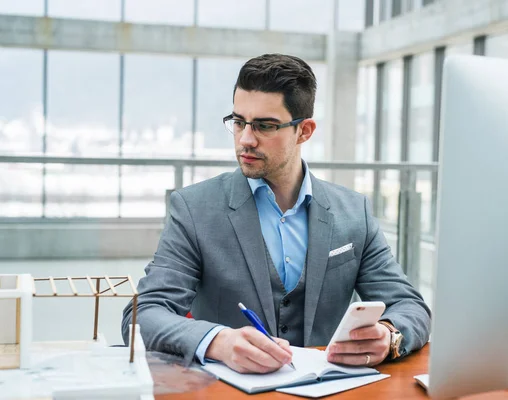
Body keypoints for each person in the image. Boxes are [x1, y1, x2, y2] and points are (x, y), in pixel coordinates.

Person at [122, 53, 431, 374]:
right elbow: (143, 313)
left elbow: (410, 307)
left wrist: (389, 335)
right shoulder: (194, 208)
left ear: (305, 131)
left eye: (265, 126)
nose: (245, 139)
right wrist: (218, 341)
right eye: (238, 122)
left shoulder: (354, 211)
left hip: (330, 392)